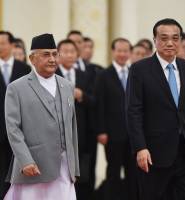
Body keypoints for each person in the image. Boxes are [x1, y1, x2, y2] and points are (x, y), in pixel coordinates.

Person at [126, 18, 185, 200]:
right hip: (154, 154)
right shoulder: (139, 69)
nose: (170, 43)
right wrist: (140, 147)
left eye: (175, 38)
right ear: (155, 40)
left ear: (180, 41)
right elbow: (133, 111)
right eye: (164, 38)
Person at [4, 33, 79, 200]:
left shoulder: (67, 86)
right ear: (32, 58)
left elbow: (71, 127)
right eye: (46, 54)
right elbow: (13, 128)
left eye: (54, 54)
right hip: (33, 166)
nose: (52, 59)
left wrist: (74, 166)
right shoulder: (16, 88)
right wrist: (25, 160)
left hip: (64, 166)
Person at [95, 38, 138, 200]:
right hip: (112, 134)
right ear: (113, 52)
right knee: (113, 171)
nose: (122, 54)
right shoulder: (104, 75)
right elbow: (100, 106)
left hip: (133, 135)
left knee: (133, 173)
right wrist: (101, 130)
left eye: (125, 51)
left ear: (130, 53)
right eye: (119, 50)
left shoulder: (135, 74)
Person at [56, 39, 93, 200]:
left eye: (73, 51)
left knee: (81, 174)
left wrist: (82, 96)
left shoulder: (85, 75)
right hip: (58, 132)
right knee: (60, 173)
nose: (70, 55)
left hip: (81, 132)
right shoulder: (52, 74)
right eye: (66, 51)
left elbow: (95, 100)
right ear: (58, 54)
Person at [0, 31, 31, 200]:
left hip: (20, 132)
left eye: (3, 43)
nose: (0, 47)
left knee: (17, 176)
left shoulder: (24, 69)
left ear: (12, 45)